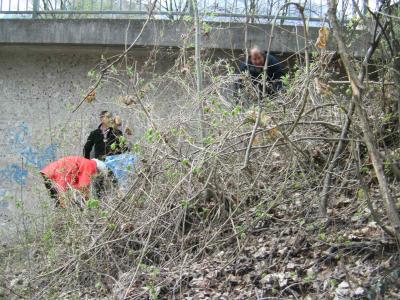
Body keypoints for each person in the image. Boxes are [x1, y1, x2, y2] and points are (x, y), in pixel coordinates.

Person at [40, 156, 111, 207]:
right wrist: (88, 202)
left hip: (48, 171)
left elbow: (79, 184)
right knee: (63, 202)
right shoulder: (91, 166)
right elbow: (84, 185)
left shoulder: (85, 162)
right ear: (98, 170)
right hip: (58, 172)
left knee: (59, 199)